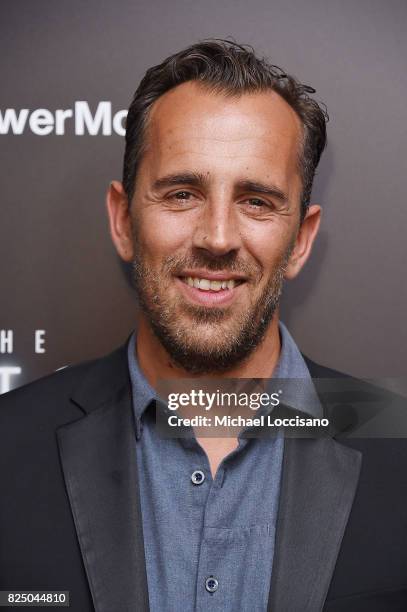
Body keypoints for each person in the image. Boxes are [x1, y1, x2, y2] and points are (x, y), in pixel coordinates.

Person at [0, 40, 406, 612]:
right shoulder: (8, 444)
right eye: (183, 193)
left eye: (258, 201)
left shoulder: (400, 446)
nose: (217, 237)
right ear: (122, 220)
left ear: (302, 240)